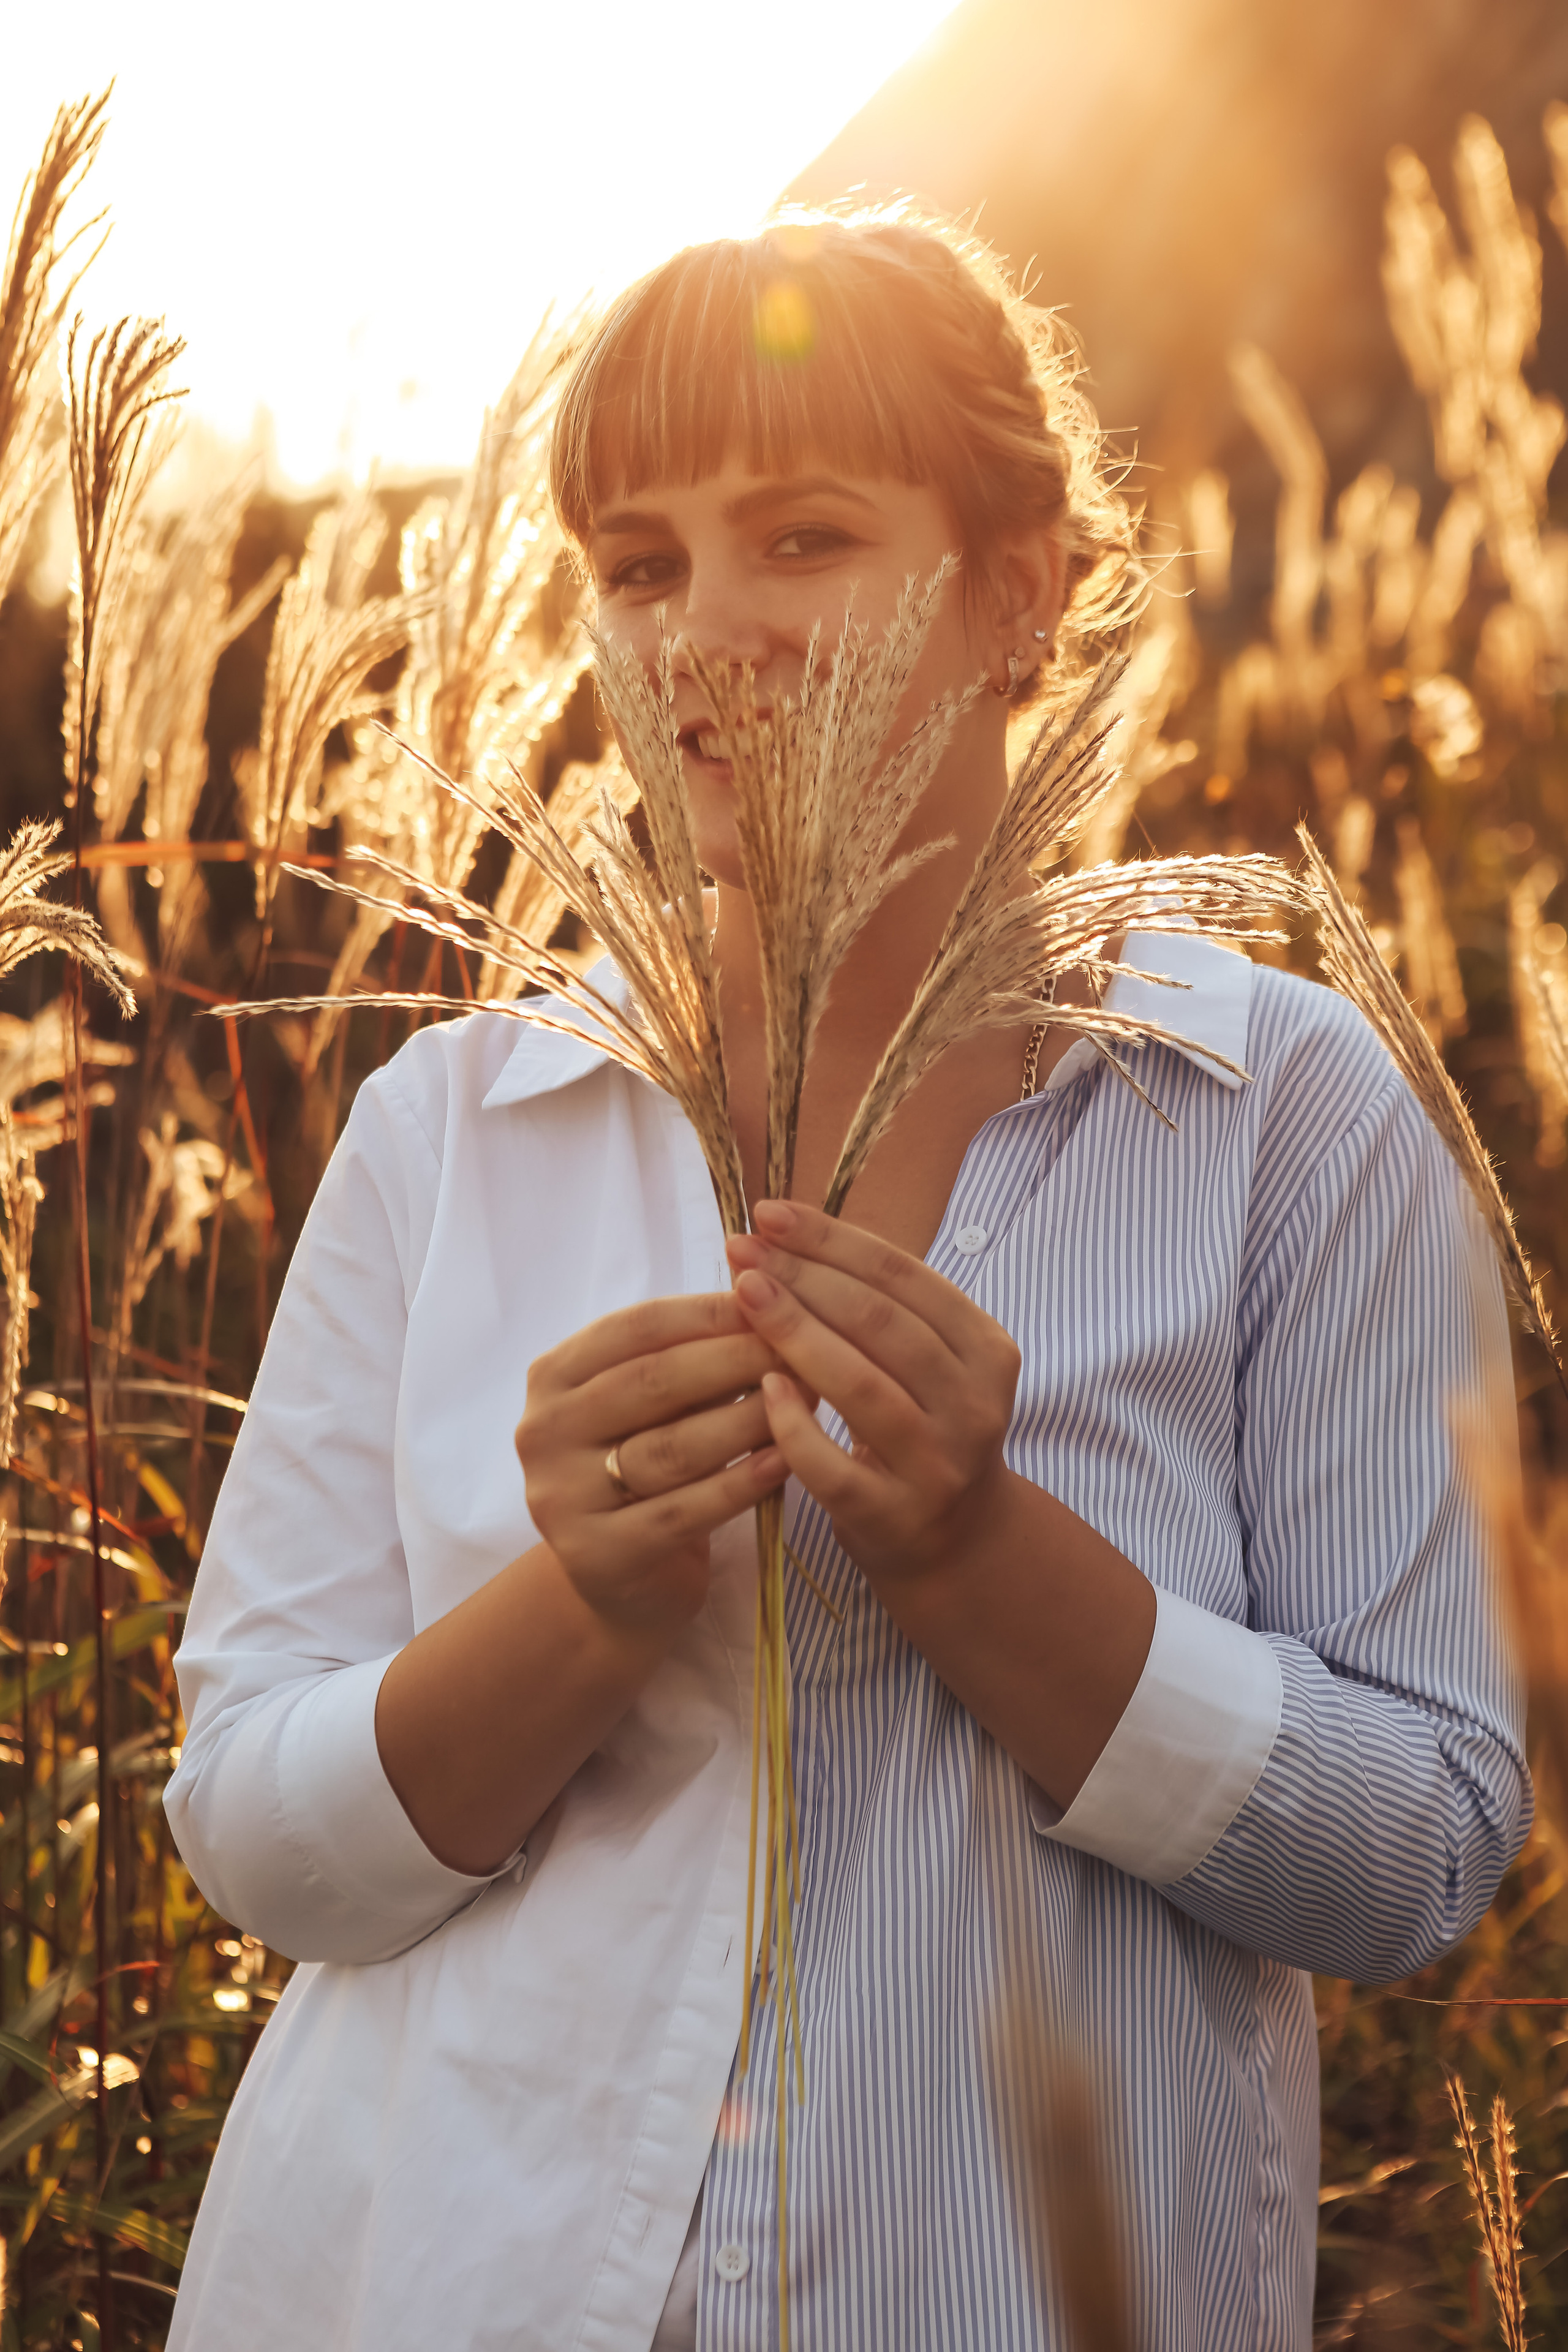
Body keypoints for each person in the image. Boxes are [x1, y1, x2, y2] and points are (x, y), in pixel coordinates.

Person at [164, 207, 1529, 2352]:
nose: (705, 633)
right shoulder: (451, 1128)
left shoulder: (1283, 1108)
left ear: (1019, 593)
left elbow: (1419, 1850)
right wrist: (582, 1601)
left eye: (803, 537)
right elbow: (253, 1839)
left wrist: (983, 1556)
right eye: (636, 563)